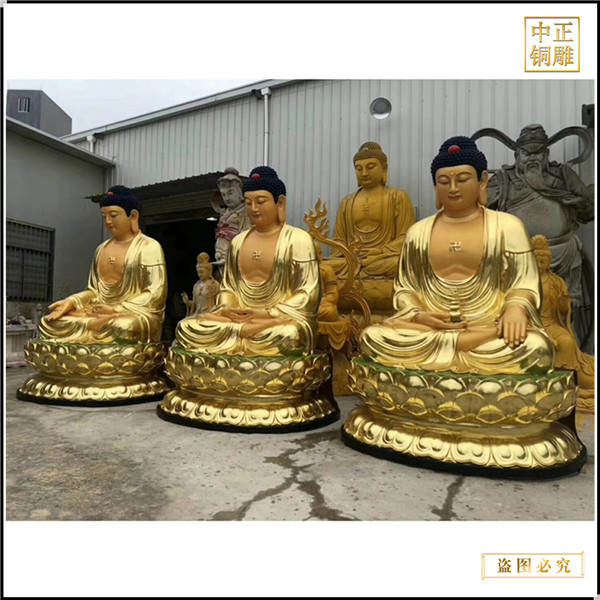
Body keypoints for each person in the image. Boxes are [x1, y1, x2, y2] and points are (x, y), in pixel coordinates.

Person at [360, 136, 554, 375]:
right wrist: (419, 316)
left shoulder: (508, 227)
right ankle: (463, 349)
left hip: (489, 326)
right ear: (435, 187)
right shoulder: (417, 233)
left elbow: (524, 284)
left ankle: (457, 352)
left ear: (482, 181)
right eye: (444, 181)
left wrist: (516, 307)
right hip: (431, 331)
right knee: (371, 337)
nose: (453, 188)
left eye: (462, 179)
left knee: (537, 349)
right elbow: (405, 291)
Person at [175, 166, 320, 356]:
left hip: (275, 320)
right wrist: (227, 308)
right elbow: (228, 288)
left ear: (280, 203)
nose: (253, 209)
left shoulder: (298, 240)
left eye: (260, 202)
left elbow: (308, 293)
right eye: (249, 203)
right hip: (237, 318)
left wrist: (268, 313)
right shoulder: (238, 242)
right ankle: (242, 338)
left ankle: (239, 341)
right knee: (187, 326)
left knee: (289, 334)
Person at [487, 124, 594, 315]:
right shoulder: (503, 181)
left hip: (563, 253)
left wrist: (579, 202)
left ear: (546, 154)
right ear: (517, 156)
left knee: (565, 311)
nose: (532, 158)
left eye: (538, 153)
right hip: (516, 257)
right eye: (527, 153)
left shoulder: (563, 175)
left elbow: (589, 213)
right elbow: (479, 215)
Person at [39, 185, 167, 344]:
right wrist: (73, 301)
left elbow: (156, 293)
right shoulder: (101, 249)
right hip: (99, 312)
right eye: (104, 216)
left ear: (133, 216)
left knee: (124, 326)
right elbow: (94, 291)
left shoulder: (149, 247)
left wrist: (116, 309)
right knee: (51, 322)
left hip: (131, 315)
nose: (108, 222)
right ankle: (92, 335)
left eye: (113, 215)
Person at [324, 142, 415, 309]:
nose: (364, 173)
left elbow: (407, 239)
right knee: (322, 268)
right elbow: (339, 241)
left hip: (381, 261)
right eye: (359, 169)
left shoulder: (398, 197)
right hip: (350, 262)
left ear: (384, 169)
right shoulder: (346, 203)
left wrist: (378, 252)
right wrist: (350, 256)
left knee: (399, 264)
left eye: (370, 167)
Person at [532, 235, 594, 406]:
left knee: (566, 341)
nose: (540, 264)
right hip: (532, 326)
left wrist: (564, 304)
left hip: (551, 324)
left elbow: (563, 309)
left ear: (548, 262)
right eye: (537, 261)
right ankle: (544, 382)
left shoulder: (556, 281)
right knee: (536, 344)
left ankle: (566, 380)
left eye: (543, 261)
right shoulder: (527, 283)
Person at [211, 167, 251, 280]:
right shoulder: (225, 212)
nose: (227, 198)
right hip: (220, 252)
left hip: (236, 251)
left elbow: (247, 233)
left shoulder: (246, 210)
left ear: (239, 192)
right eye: (223, 195)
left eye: (230, 193)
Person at [181, 252, 221, 317]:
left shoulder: (215, 285)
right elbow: (194, 305)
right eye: (198, 272)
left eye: (202, 272)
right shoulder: (196, 285)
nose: (199, 274)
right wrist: (187, 302)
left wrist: (214, 310)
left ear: (208, 271)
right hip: (197, 314)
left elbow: (219, 304)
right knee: (183, 322)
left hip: (209, 315)